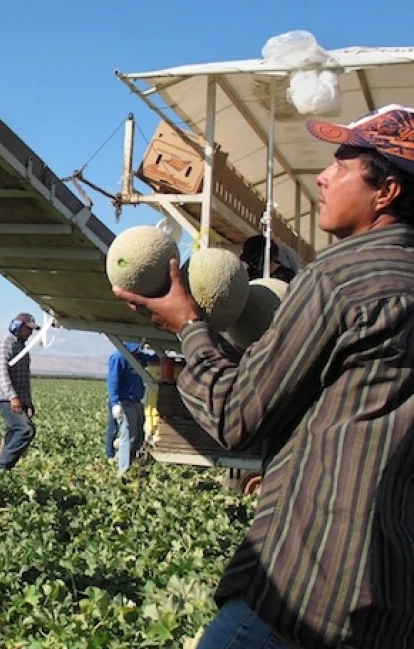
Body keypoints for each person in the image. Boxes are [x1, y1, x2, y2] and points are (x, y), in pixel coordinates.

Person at [112, 104, 414, 648]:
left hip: (304, 593)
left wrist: (188, 326)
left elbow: (234, 416)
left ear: (386, 191)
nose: (323, 175)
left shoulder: (339, 279)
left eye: (342, 165)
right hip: (394, 610)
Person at [0, 312, 39, 471]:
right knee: (25, 429)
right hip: (6, 398)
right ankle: (1, 466)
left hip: (18, 398)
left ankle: (3, 468)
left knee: (15, 431)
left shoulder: (22, 347)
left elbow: (24, 377)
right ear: (17, 327)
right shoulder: (6, 342)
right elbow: (1, 371)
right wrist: (13, 397)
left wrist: (27, 402)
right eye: (28, 329)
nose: (31, 333)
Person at [106, 342, 156, 472]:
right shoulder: (119, 357)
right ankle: (123, 470)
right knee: (128, 436)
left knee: (139, 434)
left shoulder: (138, 357)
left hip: (136, 401)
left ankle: (134, 463)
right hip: (124, 402)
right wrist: (115, 403)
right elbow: (113, 381)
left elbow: (154, 360)